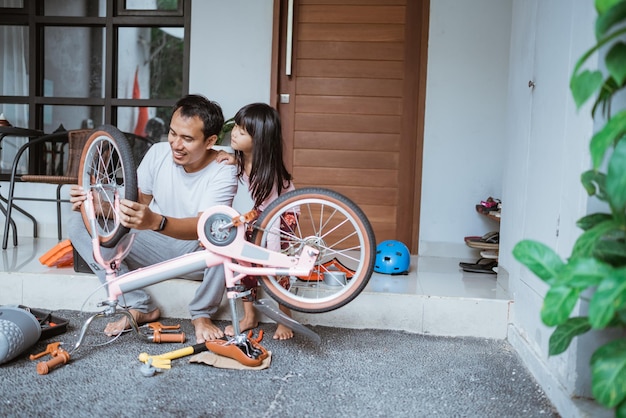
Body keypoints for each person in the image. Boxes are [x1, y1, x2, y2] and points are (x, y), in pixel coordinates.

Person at [68, 94, 238, 343]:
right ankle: (137, 304)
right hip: (155, 242)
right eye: (172, 133)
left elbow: (204, 228)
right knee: (78, 222)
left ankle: (202, 313)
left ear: (210, 140)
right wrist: (96, 205)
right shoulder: (158, 153)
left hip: (195, 253)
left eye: (187, 139)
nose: (176, 144)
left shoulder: (224, 168)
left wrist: (156, 222)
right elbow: (135, 206)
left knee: (226, 237)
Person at [217, 102, 296, 340]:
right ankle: (249, 315)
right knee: (242, 257)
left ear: (258, 140)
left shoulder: (267, 172)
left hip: (282, 214)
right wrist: (230, 157)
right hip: (262, 212)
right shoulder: (244, 158)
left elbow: (271, 214)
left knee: (276, 263)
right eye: (236, 128)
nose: (234, 133)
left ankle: (285, 317)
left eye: (242, 132)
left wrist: (267, 253)